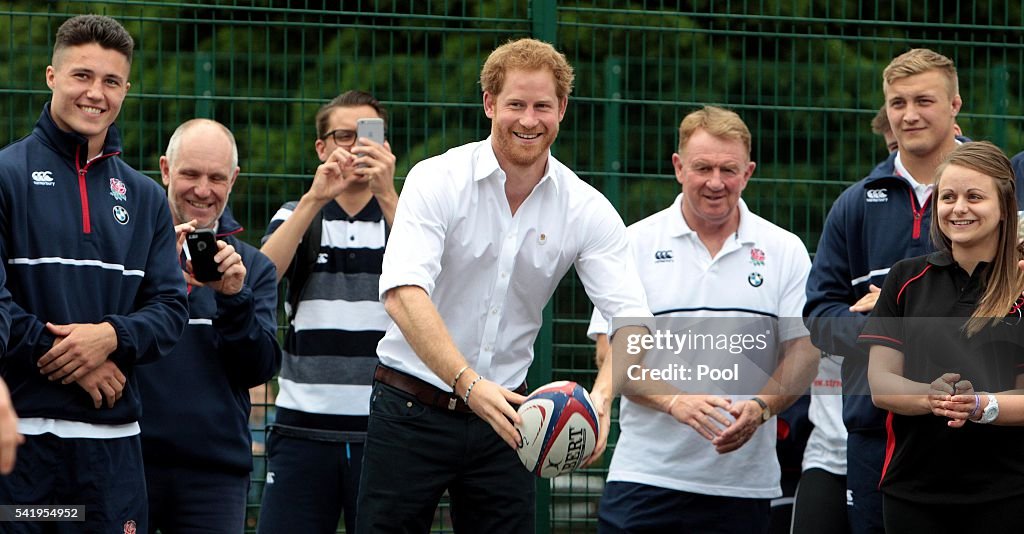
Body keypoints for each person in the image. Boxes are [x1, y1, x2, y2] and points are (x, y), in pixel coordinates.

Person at [356, 38, 650, 533]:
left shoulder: (586, 207)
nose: (529, 120)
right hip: (410, 406)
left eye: (542, 106)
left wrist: (602, 399)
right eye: (516, 104)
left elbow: (634, 320)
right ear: (490, 103)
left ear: (562, 109)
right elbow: (404, 295)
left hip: (514, 421)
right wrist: (469, 385)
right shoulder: (436, 179)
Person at [588, 106, 818, 533]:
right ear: (679, 167)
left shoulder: (784, 250)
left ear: (748, 173)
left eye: (728, 169)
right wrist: (674, 401)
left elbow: (804, 353)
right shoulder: (633, 244)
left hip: (744, 486)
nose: (716, 182)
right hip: (645, 477)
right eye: (703, 168)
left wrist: (762, 407)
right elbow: (609, 353)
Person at [0, 14, 188, 533]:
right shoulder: (6, 175)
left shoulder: (146, 197)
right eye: (82, 75)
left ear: (126, 89)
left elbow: (170, 308)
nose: (95, 93)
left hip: (112, 454)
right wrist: (71, 356)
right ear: (51, 76)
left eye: (111, 81)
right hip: (23, 446)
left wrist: (109, 336)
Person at [804, 48, 963, 534]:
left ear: (955, 105)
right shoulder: (854, 204)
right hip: (877, 432)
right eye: (898, 103)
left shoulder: (997, 193)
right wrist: (886, 329)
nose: (909, 115)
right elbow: (820, 316)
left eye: (923, 101)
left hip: (974, 425)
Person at [859, 141, 1024, 532]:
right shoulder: (905, 278)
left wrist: (980, 405)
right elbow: (881, 383)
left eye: (974, 197)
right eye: (948, 197)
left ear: (1004, 206)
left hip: (1006, 494)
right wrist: (930, 398)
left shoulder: (1020, 286)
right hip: (912, 493)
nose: (959, 208)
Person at [257, 90, 396, 533]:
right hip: (301, 429)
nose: (356, 147)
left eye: (368, 135)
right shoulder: (296, 214)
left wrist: (388, 194)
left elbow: (441, 287)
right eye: (343, 136)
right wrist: (314, 200)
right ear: (322, 148)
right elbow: (261, 278)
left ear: (385, 146)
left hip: (387, 430)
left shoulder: (407, 217)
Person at [138, 119, 281, 533]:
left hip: (215, 475)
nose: (203, 190)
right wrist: (155, 274)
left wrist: (234, 298)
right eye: (191, 174)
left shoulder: (252, 267)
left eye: (216, 178)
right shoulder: (130, 253)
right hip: (130, 459)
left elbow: (258, 368)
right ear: (166, 170)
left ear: (233, 180)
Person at [790, 106, 905, 534]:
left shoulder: (973, 211)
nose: (897, 158)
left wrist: (890, 310)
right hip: (839, 447)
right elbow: (820, 321)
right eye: (891, 149)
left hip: (925, 443)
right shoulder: (854, 212)